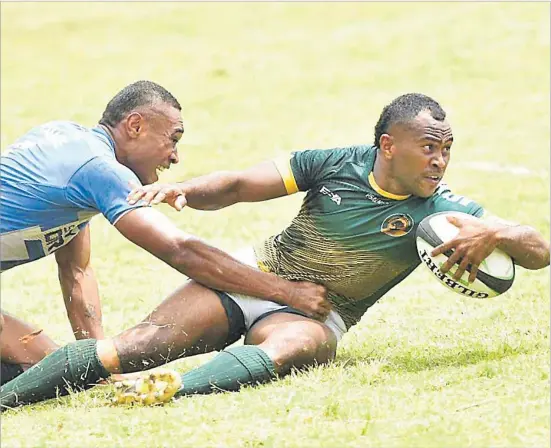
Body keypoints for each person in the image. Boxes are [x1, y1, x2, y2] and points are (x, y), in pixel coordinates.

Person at [1, 93, 548, 409]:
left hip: (321, 312)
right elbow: (240, 184)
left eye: (446, 150)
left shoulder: (447, 214)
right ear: (389, 145)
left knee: (293, 346)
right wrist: (185, 190)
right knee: (128, 347)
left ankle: (167, 388)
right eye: (429, 147)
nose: (439, 161)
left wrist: (496, 234)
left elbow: (540, 248)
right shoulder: (336, 163)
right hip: (253, 279)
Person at [0, 80, 330, 386]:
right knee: (45, 373)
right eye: (172, 139)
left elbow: (76, 270)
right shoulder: (98, 168)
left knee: (61, 370)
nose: (174, 156)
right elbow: (180, 250)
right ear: (135, 126)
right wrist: (286, 292)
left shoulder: (71, 144)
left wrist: (99, 363)